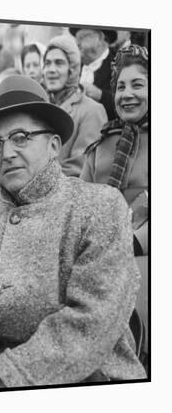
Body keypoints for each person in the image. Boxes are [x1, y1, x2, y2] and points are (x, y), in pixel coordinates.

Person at [0, 75, 146, 391]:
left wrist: (3, 376)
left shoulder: (99, 207)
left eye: (21, 137)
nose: (7, 152)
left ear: (54, 145)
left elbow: (93, 320)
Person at [81, 45, 149, 359]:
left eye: (138, 84)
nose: (127, 94)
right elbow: (81, 207)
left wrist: (131, 241)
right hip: (99, 254)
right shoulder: (101, 145)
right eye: (121, 86)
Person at [43, 35, 107, 177]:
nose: (51, 69)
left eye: (59, 63)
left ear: (72, 69)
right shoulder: (40, 107)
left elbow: (79, 168)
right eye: (47, 63)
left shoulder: (92, 111)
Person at [70, 28, 118, 120]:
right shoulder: (73, 67)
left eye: (82, 37)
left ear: (100, 38)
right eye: (76, 39)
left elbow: (127, 103)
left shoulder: (120, 67)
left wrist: (101, 95)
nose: (77, 43)